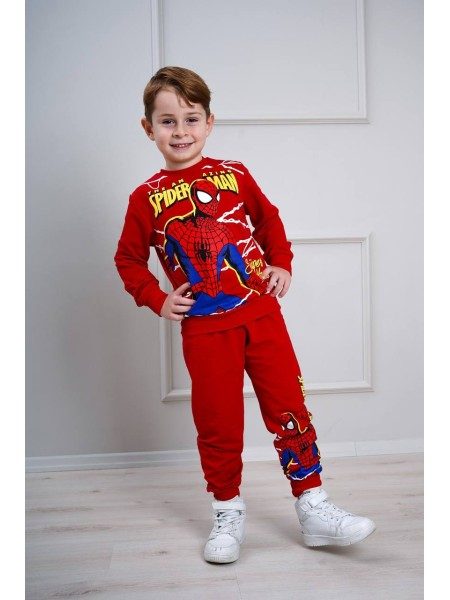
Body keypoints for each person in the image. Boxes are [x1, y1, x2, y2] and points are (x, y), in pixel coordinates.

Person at [114, 66, 376, 564]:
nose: (181, 131)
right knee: (218, 423)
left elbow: (268, 219)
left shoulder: (234, 173)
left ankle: (313, 505)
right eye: (167, 121)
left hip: (261, 315)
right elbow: (127, 259)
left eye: (191, 119)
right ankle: (227, 510)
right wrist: (156, 298)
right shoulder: (145, 197)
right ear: (148, 128)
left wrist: (281, 262)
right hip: (206, 329)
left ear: (209, 122)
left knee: (288, 407)